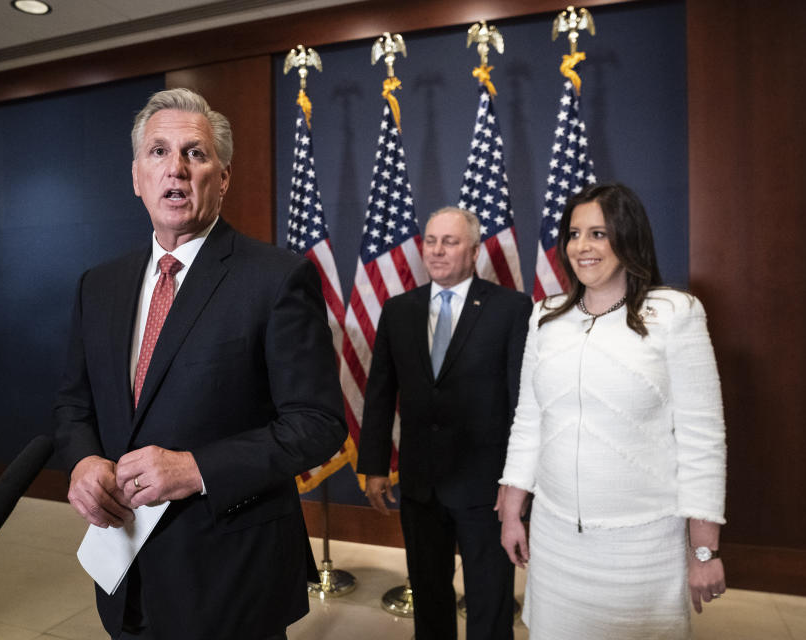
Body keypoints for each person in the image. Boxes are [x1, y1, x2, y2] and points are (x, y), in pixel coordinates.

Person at [54, 88, 346, 640]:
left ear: (224, 177)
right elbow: (73, 403)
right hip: (125, 569)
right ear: (137, 175)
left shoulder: (277, 278)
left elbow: (317, 424)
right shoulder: (100, 285)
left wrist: (196, 469)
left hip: (231, 576)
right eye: (159, 152)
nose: (177, 169)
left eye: (196, 153)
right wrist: (83, 462)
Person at [498, 183, 727, 638]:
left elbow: (704, 437)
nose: (583, 246)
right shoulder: (544, 316)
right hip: (556, 539)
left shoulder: (676, 313)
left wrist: (704, 550)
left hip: (641, 547)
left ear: (627, 237)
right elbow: (530, 419)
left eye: (599, 233)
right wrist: (511, 509)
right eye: (575, 233)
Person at [357, 207, 533, 640]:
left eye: (449, 242)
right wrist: (375, 465)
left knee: (489, 603)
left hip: (485, 488)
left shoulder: (510, 309)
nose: (436, 250)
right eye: (431, 241)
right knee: (430, 598)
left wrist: (517, 482)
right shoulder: (398, 310)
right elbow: (380, 394)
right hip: (421, 485)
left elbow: (520, 403)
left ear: (473, 251)